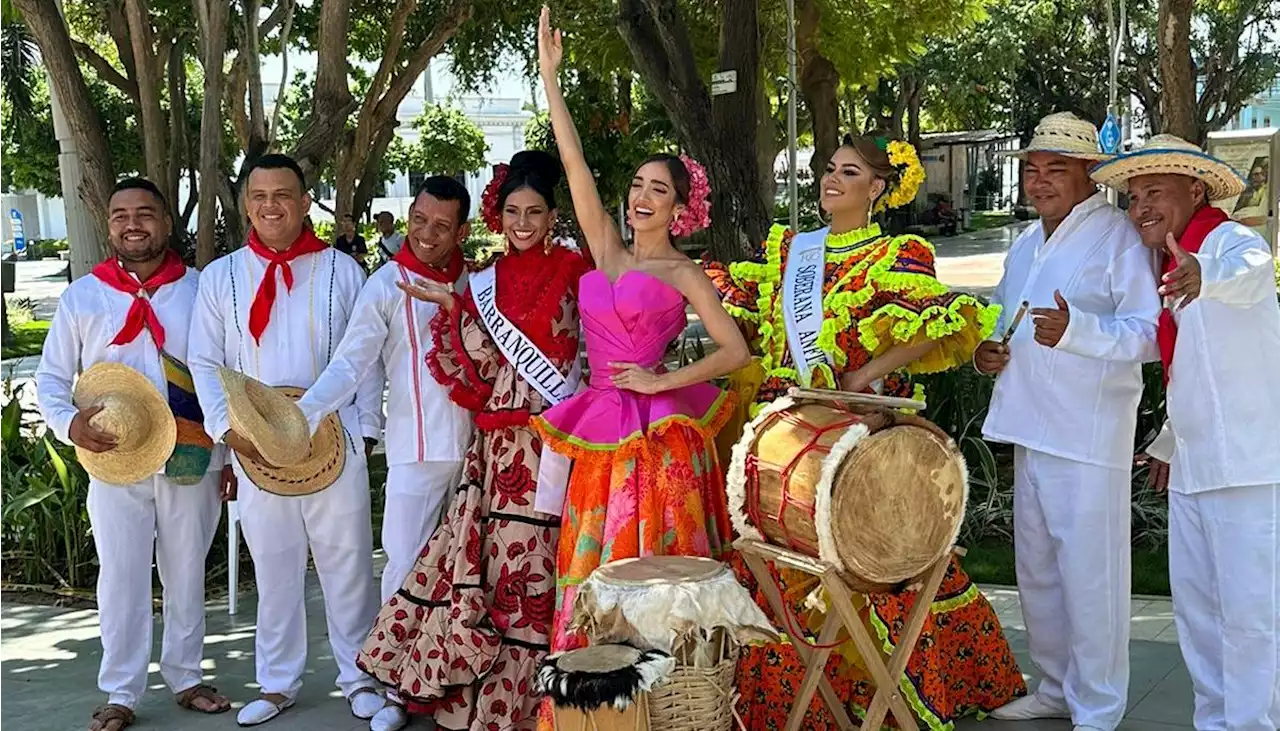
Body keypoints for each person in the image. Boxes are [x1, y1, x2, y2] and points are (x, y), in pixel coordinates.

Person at [704, 132, 1025, 729]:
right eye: (829, 169)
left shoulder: (898, 254)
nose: (831, 180)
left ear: (877, 189)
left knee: (876, 560)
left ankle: (877, 695)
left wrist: (866, 372)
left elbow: (942, 323)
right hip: (790, 434)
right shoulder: (792, 251)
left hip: (861, 431)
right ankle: (786, 704)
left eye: (848, 173)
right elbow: (749, 321)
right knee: (778, 560)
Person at [533, 4, 749, 661]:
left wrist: (663, 379)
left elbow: (735, 351)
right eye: (636, 184)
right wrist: (549, 80)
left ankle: (672, 697)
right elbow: (573, 167)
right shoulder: (605, 245)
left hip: (658, 437)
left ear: (682, 209)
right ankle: (601, 699)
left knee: (658, 566)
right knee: (598, 560)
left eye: (658, 188)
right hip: (602, 428)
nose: (640, 195)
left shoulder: (684, 271)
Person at [355, 148, 591, 730]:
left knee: (541, 563)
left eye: (535, 211)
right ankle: (451, 691)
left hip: (553, 438)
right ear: (498, 215)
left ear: (552, 216)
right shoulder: (483, 281)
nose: (523, 223)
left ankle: (542, 701)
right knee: (487, 566)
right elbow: (481, 372)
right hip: (495, 447)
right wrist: (455, 308)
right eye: (513, 211)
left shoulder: (575, 268)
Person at [974, 112, 1161, 731]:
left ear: (1089, 174)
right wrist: (987, 352)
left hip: (1087, 433)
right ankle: (1054, 686)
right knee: (1038, 571)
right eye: (1032, 168)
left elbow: (1149, 333)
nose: (1041, 180)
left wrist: (1078, 331)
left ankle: (1099, 705)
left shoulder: (1118, 236)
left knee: (1091, 575)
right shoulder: (1026, 242)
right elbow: (1003, 320)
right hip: (1029, 424)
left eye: (1057, 168)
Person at [187, 154, 386, 727]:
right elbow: (205, 361)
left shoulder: (342, 271)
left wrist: (366, 432)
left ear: (304, 202)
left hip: (336, 444)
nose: (270, 205)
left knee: (347, 565)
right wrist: (229, 433)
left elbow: (365, 359)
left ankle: (360, 676)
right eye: (259, 195)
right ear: (246, 203)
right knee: (273, 568)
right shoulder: (221, 276)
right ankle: (276, 683)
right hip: (257, 452)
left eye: (283, 194)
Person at [1097, 135, 1280, 731]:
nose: (1140, 206)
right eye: (1133, 196)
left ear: (1195, 191)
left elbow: (1252, 273)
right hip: (1198, 466)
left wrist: (1206, 273)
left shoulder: (1227, 242)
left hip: (1249, 467)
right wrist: (1170, 442)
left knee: (1250, 616)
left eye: (1154, 191)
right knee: (1199, 615)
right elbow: (1195, 372)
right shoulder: (1172, 270)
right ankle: (1216, 722)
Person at [36, 177, 232, 731]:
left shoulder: (202, 290)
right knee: (120, 575)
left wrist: (232, 459)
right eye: (121, 214)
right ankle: (121, 691)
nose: (133, 223)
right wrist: (70, 423)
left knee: (187, 569)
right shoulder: (84, 296)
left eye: (146, 213)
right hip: (115, 458)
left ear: (168, 223)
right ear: (109, 225)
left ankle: (187, 676)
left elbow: (227, 376)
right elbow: (51, 379)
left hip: (193, 454)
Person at [295, 176, 474, 731]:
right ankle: (396, 684)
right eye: (419, 219)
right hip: (415, 450)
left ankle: (455, 680)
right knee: (403, 562)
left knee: (469, 570)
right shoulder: (384, 285)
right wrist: (304, 412)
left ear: (461, 230)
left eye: (441, 225)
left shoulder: (478, 282)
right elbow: (352, 364)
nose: (425, 233)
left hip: (480, 453)